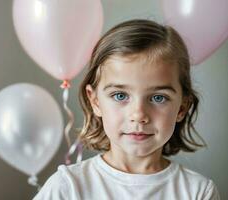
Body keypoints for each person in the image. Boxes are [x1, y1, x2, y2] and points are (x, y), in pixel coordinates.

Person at [33, 19, 220, 200]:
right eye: (120, 96)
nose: (138, 115)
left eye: (158, 97)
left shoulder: (198, 192)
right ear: (95, 101)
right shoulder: (68, 187)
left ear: (182, 107)